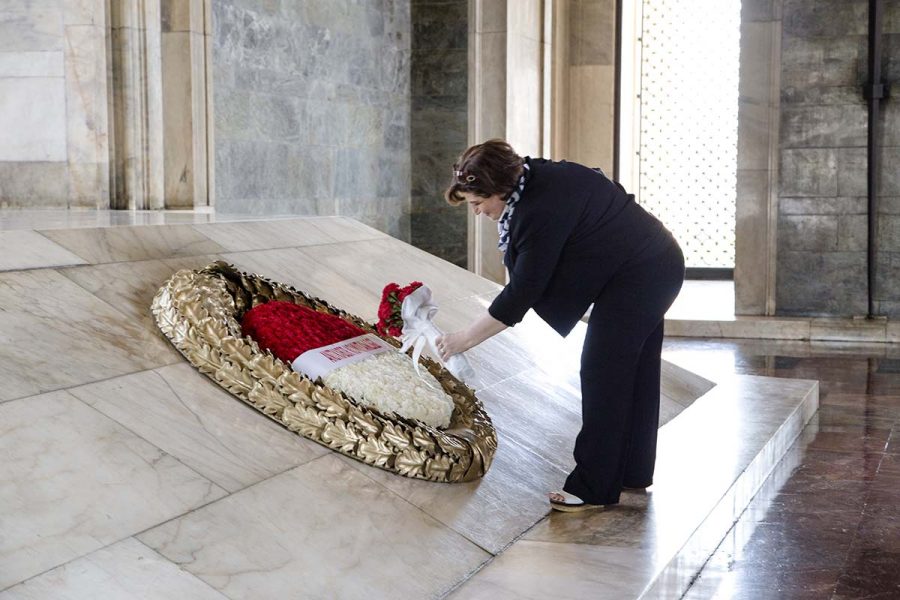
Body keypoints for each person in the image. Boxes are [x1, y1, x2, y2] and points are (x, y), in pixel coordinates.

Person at [436, 139, 685, 512]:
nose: (477, 212)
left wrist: (463, 339)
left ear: (500, 190)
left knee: (602, 370)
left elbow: (523, 291)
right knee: (632, 372)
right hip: (654, 262)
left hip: (644, 273)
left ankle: (593, 485)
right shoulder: (534, 178)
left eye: (477, 203)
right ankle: (631, 470)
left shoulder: (539, 208)